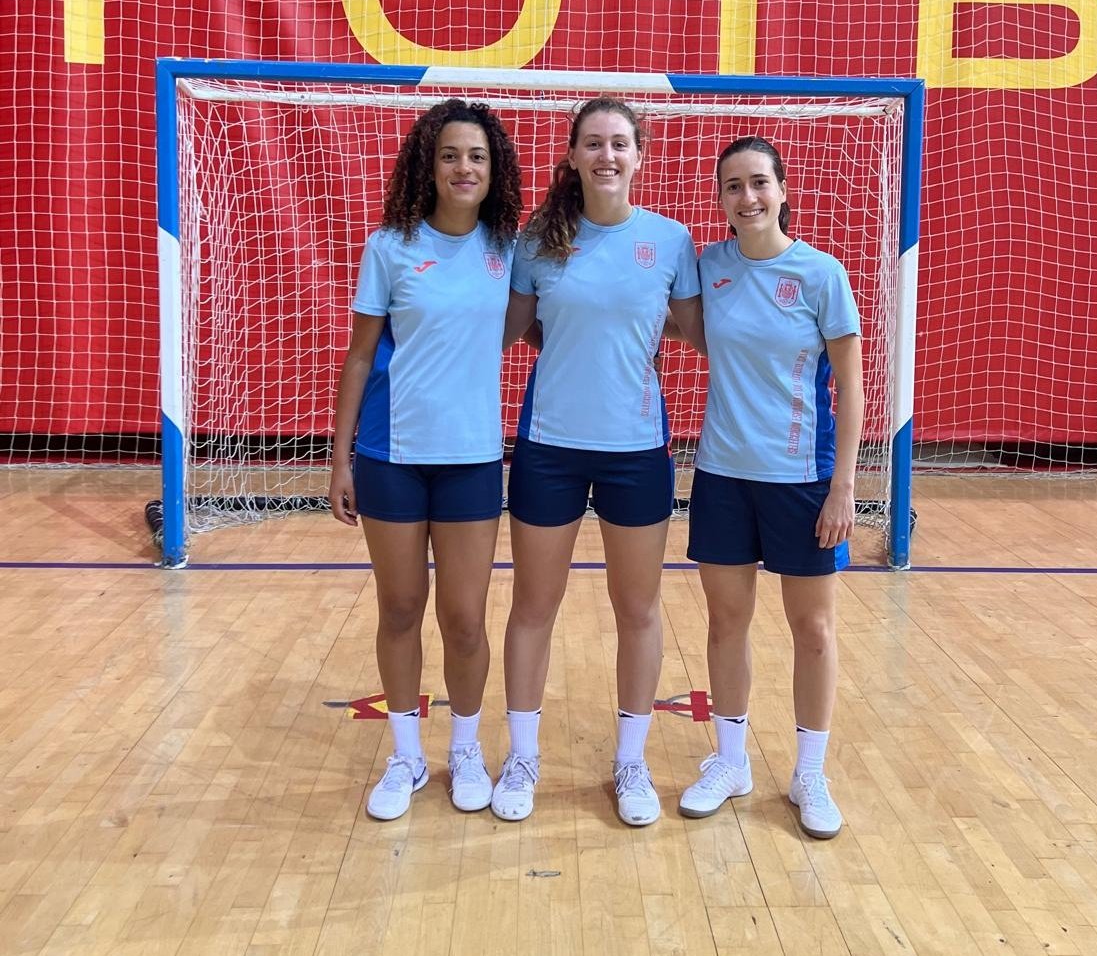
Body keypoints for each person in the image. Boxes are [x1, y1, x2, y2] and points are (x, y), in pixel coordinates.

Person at [490, 97, 703, 826]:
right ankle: (521, 757)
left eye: (620, 143)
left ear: (639, 156)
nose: (607, 155)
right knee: (532, 607)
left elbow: (702, 332)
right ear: (573, 155)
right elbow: (512, 328)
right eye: (594, 143)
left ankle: (632, 762)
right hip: (548, 447)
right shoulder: (536, 241)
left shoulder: (672, 242)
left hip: (638, 451)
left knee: (639, 610)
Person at [328, 99, 523, 820]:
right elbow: (357, 358)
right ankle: (407, 755)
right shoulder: (390, 246)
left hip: (472, 459)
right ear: (427, 164)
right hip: (392, 455)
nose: (463, 166)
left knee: (466, 618)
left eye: (476, 155)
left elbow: (547, 319)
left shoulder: (511, 249)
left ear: (493, 166)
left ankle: (465, 750)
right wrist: (340, 457)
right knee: (401, 606)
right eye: (449, 154)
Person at [677, 136, 863, 840]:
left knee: (812, 627)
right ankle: (730, 762)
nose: (747, 197)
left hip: (802, 478)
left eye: (759, 183)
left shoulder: (820, 274)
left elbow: (850, 385)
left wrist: (843, 485)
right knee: (726, 624)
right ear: (720, 198)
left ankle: (810, 772)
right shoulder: (708, 269)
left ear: (783, 189)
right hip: (723, 475)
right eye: (733, 186)